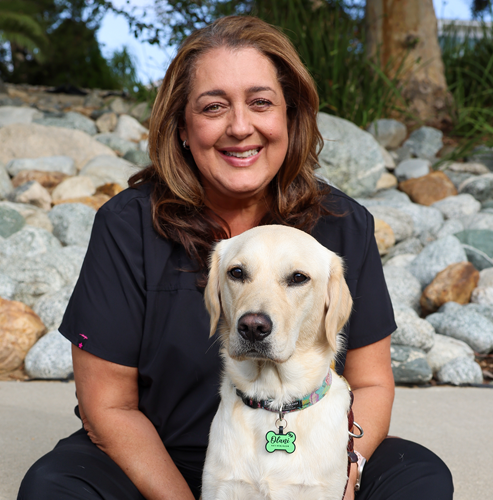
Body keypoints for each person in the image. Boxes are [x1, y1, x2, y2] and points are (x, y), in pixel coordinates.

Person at [18, 15, 453, 500]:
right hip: (157, 461)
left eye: (261, 102)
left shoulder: (342, 225)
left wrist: (343, 479)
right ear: (183, 126)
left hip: (314, 461)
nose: (240, 127)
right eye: (213, 107)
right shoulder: (127, 226)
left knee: (420, 477)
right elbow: (108, 407)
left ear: (290, 116)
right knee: (53, 488)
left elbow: (371, 385)